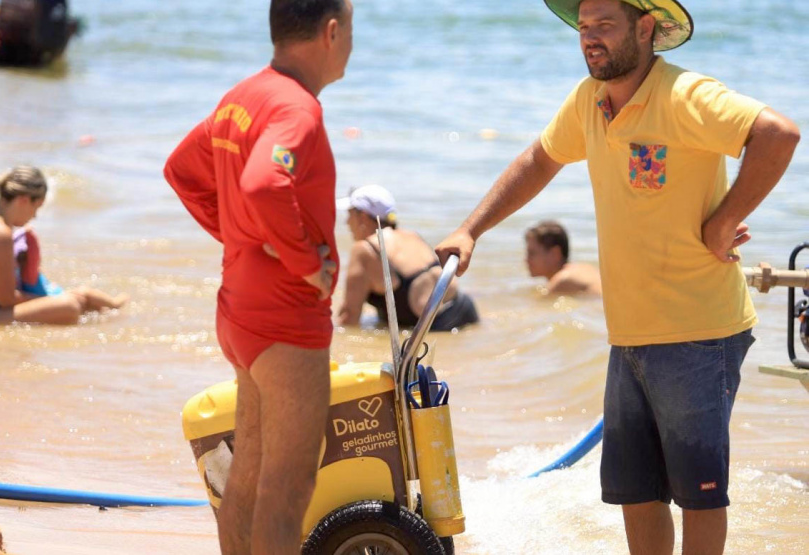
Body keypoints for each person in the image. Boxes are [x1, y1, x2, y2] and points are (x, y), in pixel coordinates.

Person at [435, 1, 800, 553]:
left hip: (697, 330)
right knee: (635, 494)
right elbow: (540, 159)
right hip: (628, 334)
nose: (590, 38)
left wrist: (723, 219)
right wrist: (471, 229)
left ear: (646, 27)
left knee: (701, 495)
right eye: (584, 27)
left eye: (604, 25)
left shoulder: (685, 94)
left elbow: (778, 134)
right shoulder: (589, 101)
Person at [162, 1, 353, 553]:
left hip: (240, 312)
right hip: (287, 319)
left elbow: (181, 169)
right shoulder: (298, 109)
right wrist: (304, 262)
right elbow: (266, 184)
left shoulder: (242, 97)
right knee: (288, 489)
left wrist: (240, 237)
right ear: (332, 31)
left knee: (247, 473)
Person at [0, 165, 129, 324]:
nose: (34, 216)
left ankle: (108, 310)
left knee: (76, 299)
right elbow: (7, 300)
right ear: (24, 200)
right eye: (37, 208)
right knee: (70, 306)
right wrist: (49, 298)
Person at [337, 184, 479, 331]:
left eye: (349, 215)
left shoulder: (364, 250)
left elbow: (349, 316)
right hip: (465, 309)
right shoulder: (411, 235)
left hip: (435, 328)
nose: (346, 222)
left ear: (363, 217)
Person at [525, 220, 602, 296]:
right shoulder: (584, 268)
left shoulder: (562, 280)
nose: (526, 260)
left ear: (555, 253)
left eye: (532, 253)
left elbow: (539, 304)